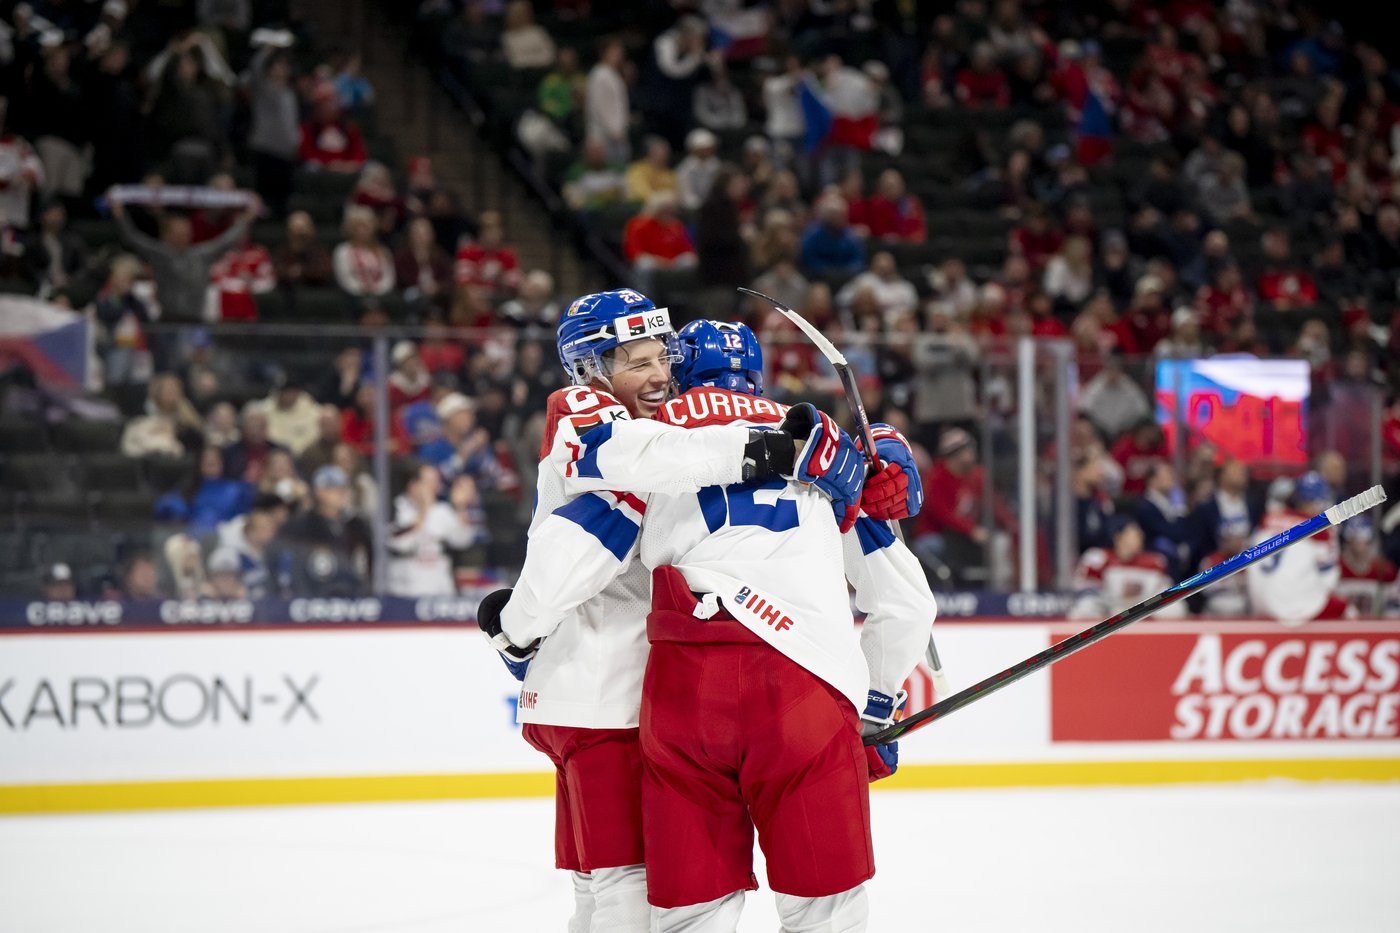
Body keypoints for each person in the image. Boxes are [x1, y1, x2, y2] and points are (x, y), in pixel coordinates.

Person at [481, 318, 931, 931]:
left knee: (687, 910)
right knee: (827, 910)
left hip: (683, 689)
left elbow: (570, 559)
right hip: (808, 688)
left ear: (680, 368)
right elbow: (906, 605)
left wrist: (516, 629)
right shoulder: (820, 448)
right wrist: (877, 703)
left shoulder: (650, 444)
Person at [1245, 472, 1349, 623]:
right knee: (1346, 609)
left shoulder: (1268, 518)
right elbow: (1329, 580)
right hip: (1293, 609)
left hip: (1259, 605)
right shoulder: (1322, 530)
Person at [274, 464, 372, 597]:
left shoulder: (355, 525)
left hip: (351, 596)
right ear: (319, 492)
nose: (342, 493)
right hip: (312, 595)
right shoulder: (302, 525)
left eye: (344, 488)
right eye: (335, 489)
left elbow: (365, 562)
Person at [386, 463, 484, 596]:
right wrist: (424, 509)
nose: (434, 486)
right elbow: (399, 543)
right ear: (413, 484)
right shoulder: (396, 507)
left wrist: (460, 507)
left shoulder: (441, 510)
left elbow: (462, 540)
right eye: (429, 482)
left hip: (438, 581)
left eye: (436, 481)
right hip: (406, 582)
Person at [1070, 516, 1183, 619]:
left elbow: (1165, 592)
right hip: (1108, 614)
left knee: (1175, 608)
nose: (1141, 536)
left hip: (1144, 612)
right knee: (1085, 608)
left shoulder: (1155, 562)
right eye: (1134, 533)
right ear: (1118, 537)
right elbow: (1085, 592)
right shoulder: (1098, 558)